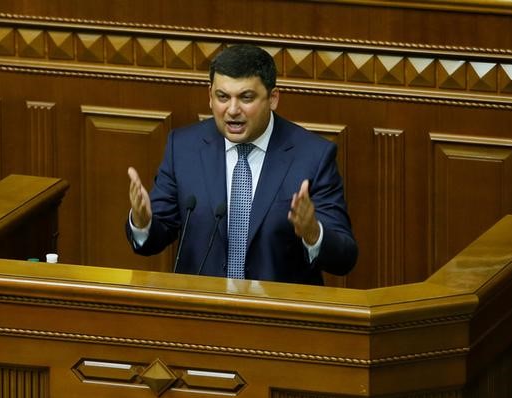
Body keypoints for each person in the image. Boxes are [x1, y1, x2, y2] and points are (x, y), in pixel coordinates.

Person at [125, 44, 357, 285]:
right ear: (210, 97)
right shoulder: (184, 148)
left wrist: (313, 233)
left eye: (246, 98)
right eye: (223, 97)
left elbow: (345, 259)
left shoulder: (313, 155)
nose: (233, 110)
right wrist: (143, 223)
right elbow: (153, 239)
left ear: (273, 98)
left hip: (279, 315)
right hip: (201, 311)